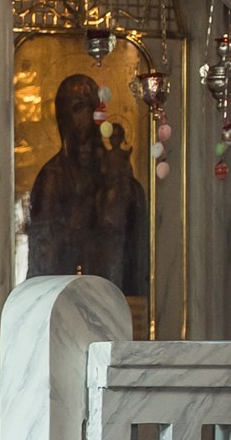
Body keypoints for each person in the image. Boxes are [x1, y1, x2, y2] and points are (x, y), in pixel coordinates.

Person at [26, 72, 149, 296]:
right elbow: (42, 252)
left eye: (79, 108)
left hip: (111, 292)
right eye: (65, 111)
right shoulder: (51, 176)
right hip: (62, 298)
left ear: (95, 112)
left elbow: (128, 240)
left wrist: (121, 188)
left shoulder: (115, 169)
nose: (72, 118)